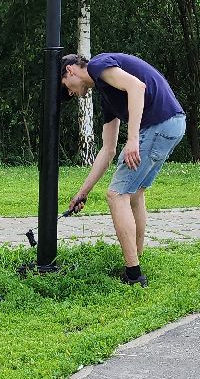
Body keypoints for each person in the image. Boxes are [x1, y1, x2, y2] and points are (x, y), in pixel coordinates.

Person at [59, 52, 189, 285]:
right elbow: (107, 150)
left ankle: (133, 275)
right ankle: (136, 260)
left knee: (116, 195)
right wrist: (83, 192)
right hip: (173, 123)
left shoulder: (98, 65)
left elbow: (136, 87)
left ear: (70, 71)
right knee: (135, 193)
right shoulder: (106, 94)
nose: (70, 93)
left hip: (158, 125)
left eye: (66, 88)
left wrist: (132, 140)